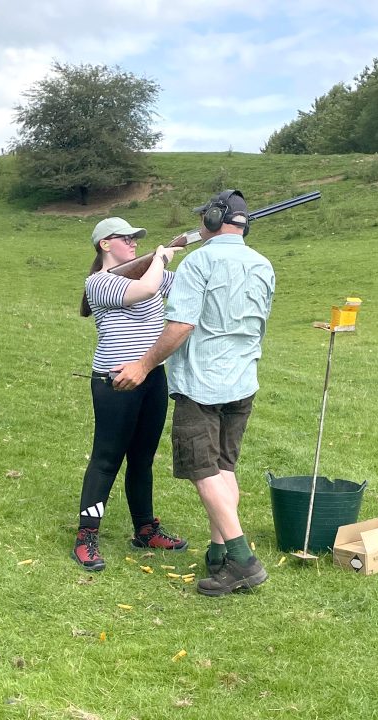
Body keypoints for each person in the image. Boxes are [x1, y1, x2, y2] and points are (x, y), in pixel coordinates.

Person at [113, 190, 275, 596]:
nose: (201, 222)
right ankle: (219, 555)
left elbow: (181, 327)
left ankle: (241, 559)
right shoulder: (263, 264)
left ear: (216, 217)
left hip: (202, 383)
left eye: (205, 216)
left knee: (202, 469)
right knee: (224, 466)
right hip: (243, 380)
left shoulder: (199, 262)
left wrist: (143, 365)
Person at [72, 217, 188, 571]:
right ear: (105, 244)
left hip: (152, 375)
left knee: (143, 457)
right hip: (115, 381)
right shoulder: (98, 282)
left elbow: (184, 286)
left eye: (137, 238)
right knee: (106, 458)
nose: (135, 242)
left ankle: (145, 528)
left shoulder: (145, 270)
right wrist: (162, 257)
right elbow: (147, 290)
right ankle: (86, 536)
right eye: (126, 238)